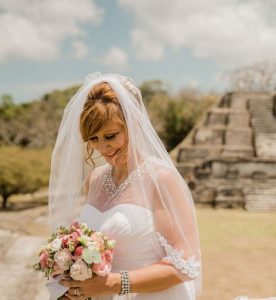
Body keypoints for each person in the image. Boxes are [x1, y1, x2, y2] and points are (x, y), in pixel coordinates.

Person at [47, 72, 202, 300]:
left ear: (134, 123)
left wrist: (115, 284)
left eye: (110, 136)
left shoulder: (161, 179)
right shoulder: (96, 179)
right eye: (93, 139)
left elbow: (187, 265)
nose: (103, 148)